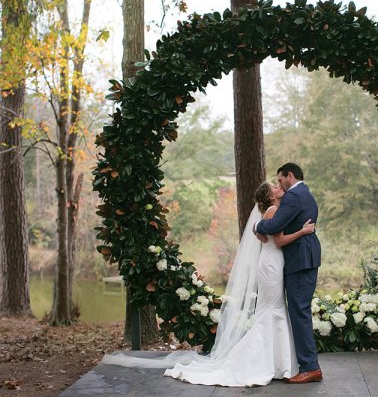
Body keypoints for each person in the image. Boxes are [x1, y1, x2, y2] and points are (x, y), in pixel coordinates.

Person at [101, 182, 315, 387]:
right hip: (272, 265)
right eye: (275, 187)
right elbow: (278, 241)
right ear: (270, 196)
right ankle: (271, 362)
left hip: (270, 263)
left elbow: (262, 237)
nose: (279, 188)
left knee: (272, 309)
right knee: (273, 309)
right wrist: (303, 232)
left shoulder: (268, 214)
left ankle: (276, 361)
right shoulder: (272, 212)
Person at [255, 162, 323, 384]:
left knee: (299, 311)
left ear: (289, 176)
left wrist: (257, 227)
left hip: (300, 260)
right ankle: (306, 364)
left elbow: (274, 226)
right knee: (298, 310)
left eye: (280, 179)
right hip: (301, 258)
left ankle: (310, 367)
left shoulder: (294, 196)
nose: (279, 184)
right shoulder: (304, 193)